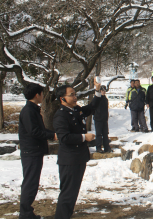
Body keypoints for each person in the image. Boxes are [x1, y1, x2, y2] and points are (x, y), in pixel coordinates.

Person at [53, 79, 101, 219]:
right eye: (71, 95)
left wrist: (97, 92)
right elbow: (64, 138)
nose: (75, 97)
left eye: (75, 94)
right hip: (69, 160)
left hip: (79, 157)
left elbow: (91, 108)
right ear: (62, 99)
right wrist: (83, 137)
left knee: (73, 192)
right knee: (68, 193)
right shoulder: (60, 115)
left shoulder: (75, 110)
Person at [19, 83, 57, 219]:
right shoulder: (28, 111)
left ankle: (26, 212)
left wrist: (53, 133)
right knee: (30, 183)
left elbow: (40, 129)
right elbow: (34, 131)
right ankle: (25, 214)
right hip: (31, 151)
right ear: (37, 95)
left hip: (35, 151)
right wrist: (52, 135)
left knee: (32, 182)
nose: (43, 96)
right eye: (42, 94)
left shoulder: (33, 109)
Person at [94, 86, 111, 153]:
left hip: (104, 118)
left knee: (105, 134)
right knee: (98, 134)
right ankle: (98, 147)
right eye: (102, 90)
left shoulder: (105, 99)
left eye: (104, 90)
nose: (103, 92)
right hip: (98, 118)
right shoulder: (97, 98)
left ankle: (106, 147)